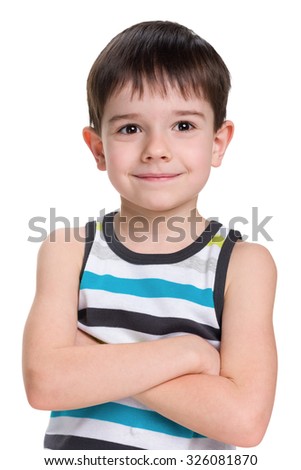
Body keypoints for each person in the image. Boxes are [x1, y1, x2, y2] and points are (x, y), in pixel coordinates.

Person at [22, 20, 277, 450]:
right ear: (98, 149)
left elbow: (244, 421)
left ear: (218, 143)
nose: (156, 148)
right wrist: (189, 355)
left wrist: (91, 357)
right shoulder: (68, 251)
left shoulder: (243, 266)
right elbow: (45, 383)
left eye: (182, 126)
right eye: (130, 128)